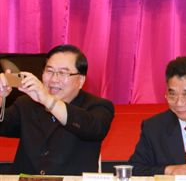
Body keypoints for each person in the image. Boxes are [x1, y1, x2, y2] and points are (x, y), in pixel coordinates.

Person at [0, 44, 115, 175]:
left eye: (63, 73)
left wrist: (47, 99)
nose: (54, 79)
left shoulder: (98, 106)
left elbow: (93, 128)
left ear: (81, 80)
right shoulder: (26, 104)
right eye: (49, 71)